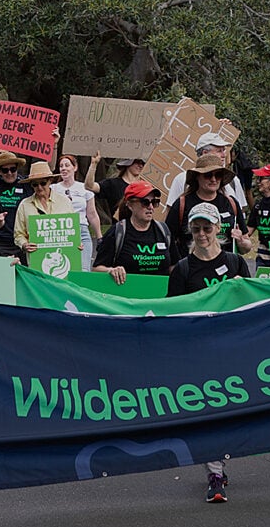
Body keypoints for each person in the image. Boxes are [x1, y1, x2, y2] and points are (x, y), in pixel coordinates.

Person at [165, 202, 250, 502]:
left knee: (230, 411)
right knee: (207, 411)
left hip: (232, 349)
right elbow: (171, 315)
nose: (202, 234)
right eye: (196, 228)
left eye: (207, 228)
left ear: (218, 229)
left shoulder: (236, 263)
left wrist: (242, 288)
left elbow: (252, 306)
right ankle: (215, 474)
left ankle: (220, 462)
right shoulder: (183, 270)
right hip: (199, 353)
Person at [165, 153, 252, 257]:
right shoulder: (182, 204)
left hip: (225, 269)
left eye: (218, 175)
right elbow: (167, 241)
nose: (213, 179)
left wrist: (241, 241)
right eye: (208, 175)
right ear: (197, 177)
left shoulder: (231, 203)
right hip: (191, 269)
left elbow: (247, 247)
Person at [93, 181, 179, 282]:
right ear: (130, 205)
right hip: (127, 294)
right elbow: (96, 269)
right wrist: (111, 271)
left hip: (161, 295)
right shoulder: (118, 232)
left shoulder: (163, 230)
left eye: (154, 202)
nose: (150, 207)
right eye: (145, 202)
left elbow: (174, 266)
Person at [166, 132, 248, 211]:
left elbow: (240, 213)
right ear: (205, 153)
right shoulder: (181, 180)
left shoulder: (233, 181)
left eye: (224, 150)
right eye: (219, 151)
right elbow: (171, 213)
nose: (224, 155)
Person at [13, 161, 76, 259]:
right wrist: (24, 244)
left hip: (63, 257)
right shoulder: (25, 205)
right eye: (35, 185)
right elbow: (18, 234)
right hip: (36, 258)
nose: (39, 187)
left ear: (50, 181)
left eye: (43, 183)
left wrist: (77, 244)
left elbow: (73, 231)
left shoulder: (65, 202)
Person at [53, 154, 103, 269]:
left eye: (67, 165)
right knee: (64, 268)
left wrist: (99, 236)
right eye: (61, 166)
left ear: (75, 167)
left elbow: (92, 214)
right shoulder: (53, 189)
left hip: (82, 231)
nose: (64, 168)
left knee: (83, 269)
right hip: (62, 232)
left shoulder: (85, 188)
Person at [0, 150, 32, 257]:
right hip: (1, 241)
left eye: (13, 169)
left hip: (24, 240)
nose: (9, 173)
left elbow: (47, 171)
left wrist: (54, 146)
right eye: (5, 170)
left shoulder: (25, 184)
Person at [94, 157, 145, 227]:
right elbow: (90, 186)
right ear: (127, 164)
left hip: (140, 229)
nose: (141, 166)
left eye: (142, 163)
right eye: (137, 162)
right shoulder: (112, 183)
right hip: (119, 229)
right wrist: (93, 165)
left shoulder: (144, 186)